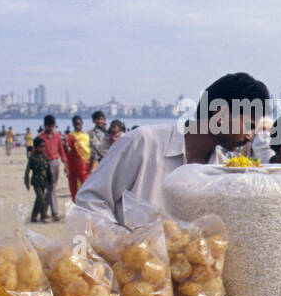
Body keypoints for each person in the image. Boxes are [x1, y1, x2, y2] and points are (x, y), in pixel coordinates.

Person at [74, 72, 270, 225]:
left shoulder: (220, 171)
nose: (249, 136)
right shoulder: (144, 143)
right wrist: (120, 243)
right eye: (249, 125)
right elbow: (89, 199)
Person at [39, 115, 66, 221]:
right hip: (45, 164)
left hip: (55, 163)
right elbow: (35, 152)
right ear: (44, 126)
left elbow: (61, 151)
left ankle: (43, 211)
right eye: (48, 126)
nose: (50, 128)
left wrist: (65, 164)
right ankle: (54, 212)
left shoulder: (57, 137)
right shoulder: (40, 137)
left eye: (52, 126)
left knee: (51, 188)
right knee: (50, 188)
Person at [24, 137, 53, 222]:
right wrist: (27, 183)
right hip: (36, 182)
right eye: (40, 146)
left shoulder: (45, 157)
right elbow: (27, 171)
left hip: (43, 182)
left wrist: (50, 181)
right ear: (35, 147)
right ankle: (43, 216)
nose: (42, 148)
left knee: (38, 200)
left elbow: (48, 170)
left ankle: (33, 216)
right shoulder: (32, 158)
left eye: (44, 146)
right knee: (41, 198)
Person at [66, 115, 92, 201]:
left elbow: (91, 150)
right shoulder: (71, 136)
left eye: (79, 124)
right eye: (75, 124)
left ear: (82, 124)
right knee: (74, 188)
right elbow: (68, 151)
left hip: (86, 165)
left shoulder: (87, 136)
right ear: (73, 124)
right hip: (74, 165)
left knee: (86, 185)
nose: (77, 125)